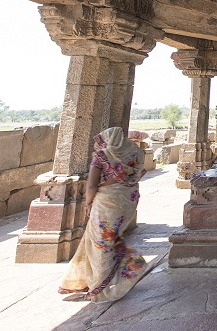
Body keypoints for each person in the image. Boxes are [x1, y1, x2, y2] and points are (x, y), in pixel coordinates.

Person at [58, 127, 147, 302]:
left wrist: (88, 203)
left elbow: (91, 185)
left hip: (107, 201)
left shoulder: (102, 156)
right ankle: (105, 276)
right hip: (127, 200)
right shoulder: (136, 153)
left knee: (101, 243)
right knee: (110, 239)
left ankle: (103, 285)